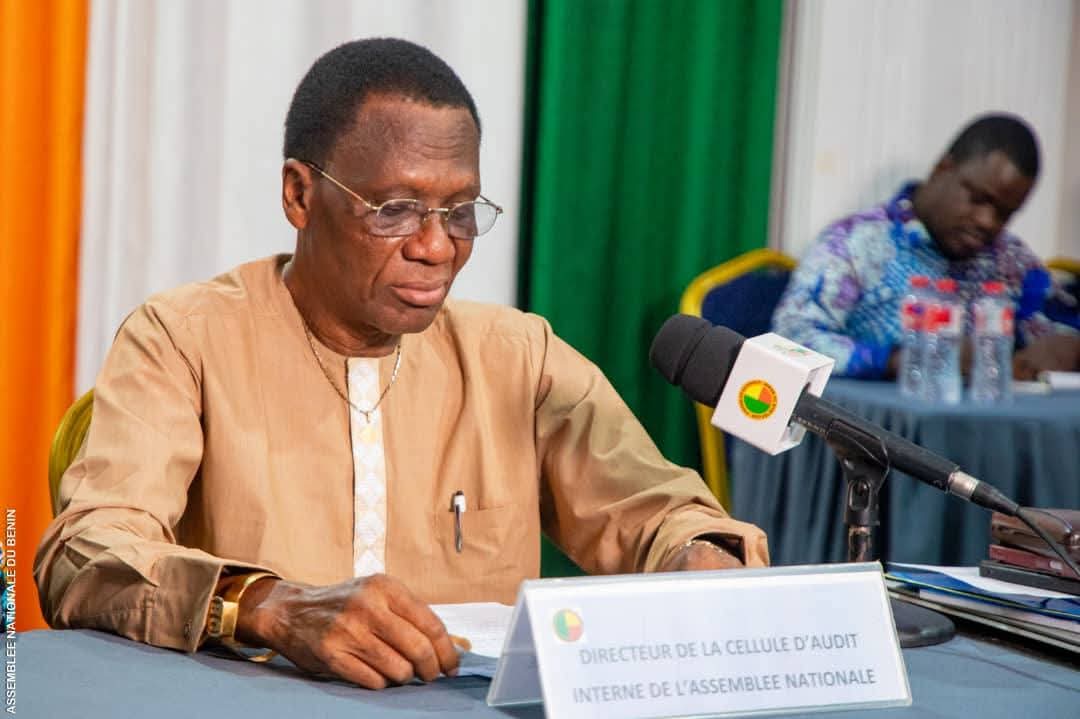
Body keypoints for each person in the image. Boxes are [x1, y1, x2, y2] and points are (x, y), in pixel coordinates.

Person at [34, 38, 767, 690]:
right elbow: (85, 553)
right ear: (299, 194)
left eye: (460, 211)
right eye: (395, 209)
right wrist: (265, 605)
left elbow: (657, 513)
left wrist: (696, 555)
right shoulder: (183, 340)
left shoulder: (518, 359)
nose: (437, 247)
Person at [772, 113, 1075, 379]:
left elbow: (1061, 324)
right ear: (943, 169)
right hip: (877, 424)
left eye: (1005, 214)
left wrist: (1071, 347)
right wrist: (898, 361)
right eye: (978, 199)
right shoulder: (854, 243)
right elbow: (790, 341)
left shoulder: (1012, 260)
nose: (987, 222)